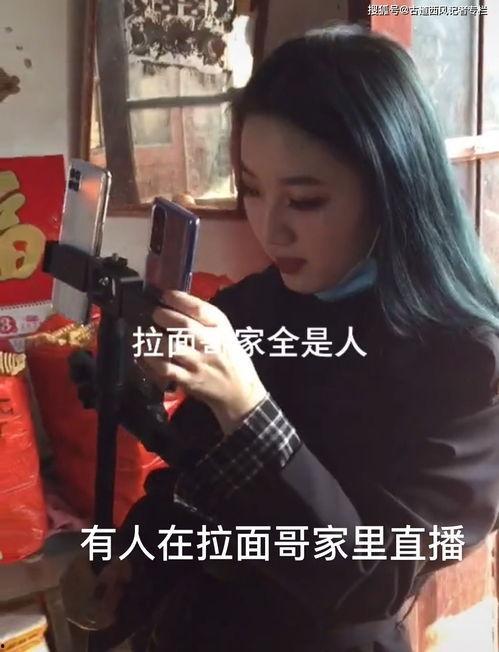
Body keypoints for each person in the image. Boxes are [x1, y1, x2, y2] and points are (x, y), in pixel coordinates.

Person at [68, 23, 499, 652]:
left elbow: (372, 582)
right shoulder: (251, 307)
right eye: (252, 189)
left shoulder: (462, 360)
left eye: (306, 200)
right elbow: (192, 483)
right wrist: (135, 564)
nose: (271, 230)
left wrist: (247, 409)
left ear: (390, 190)